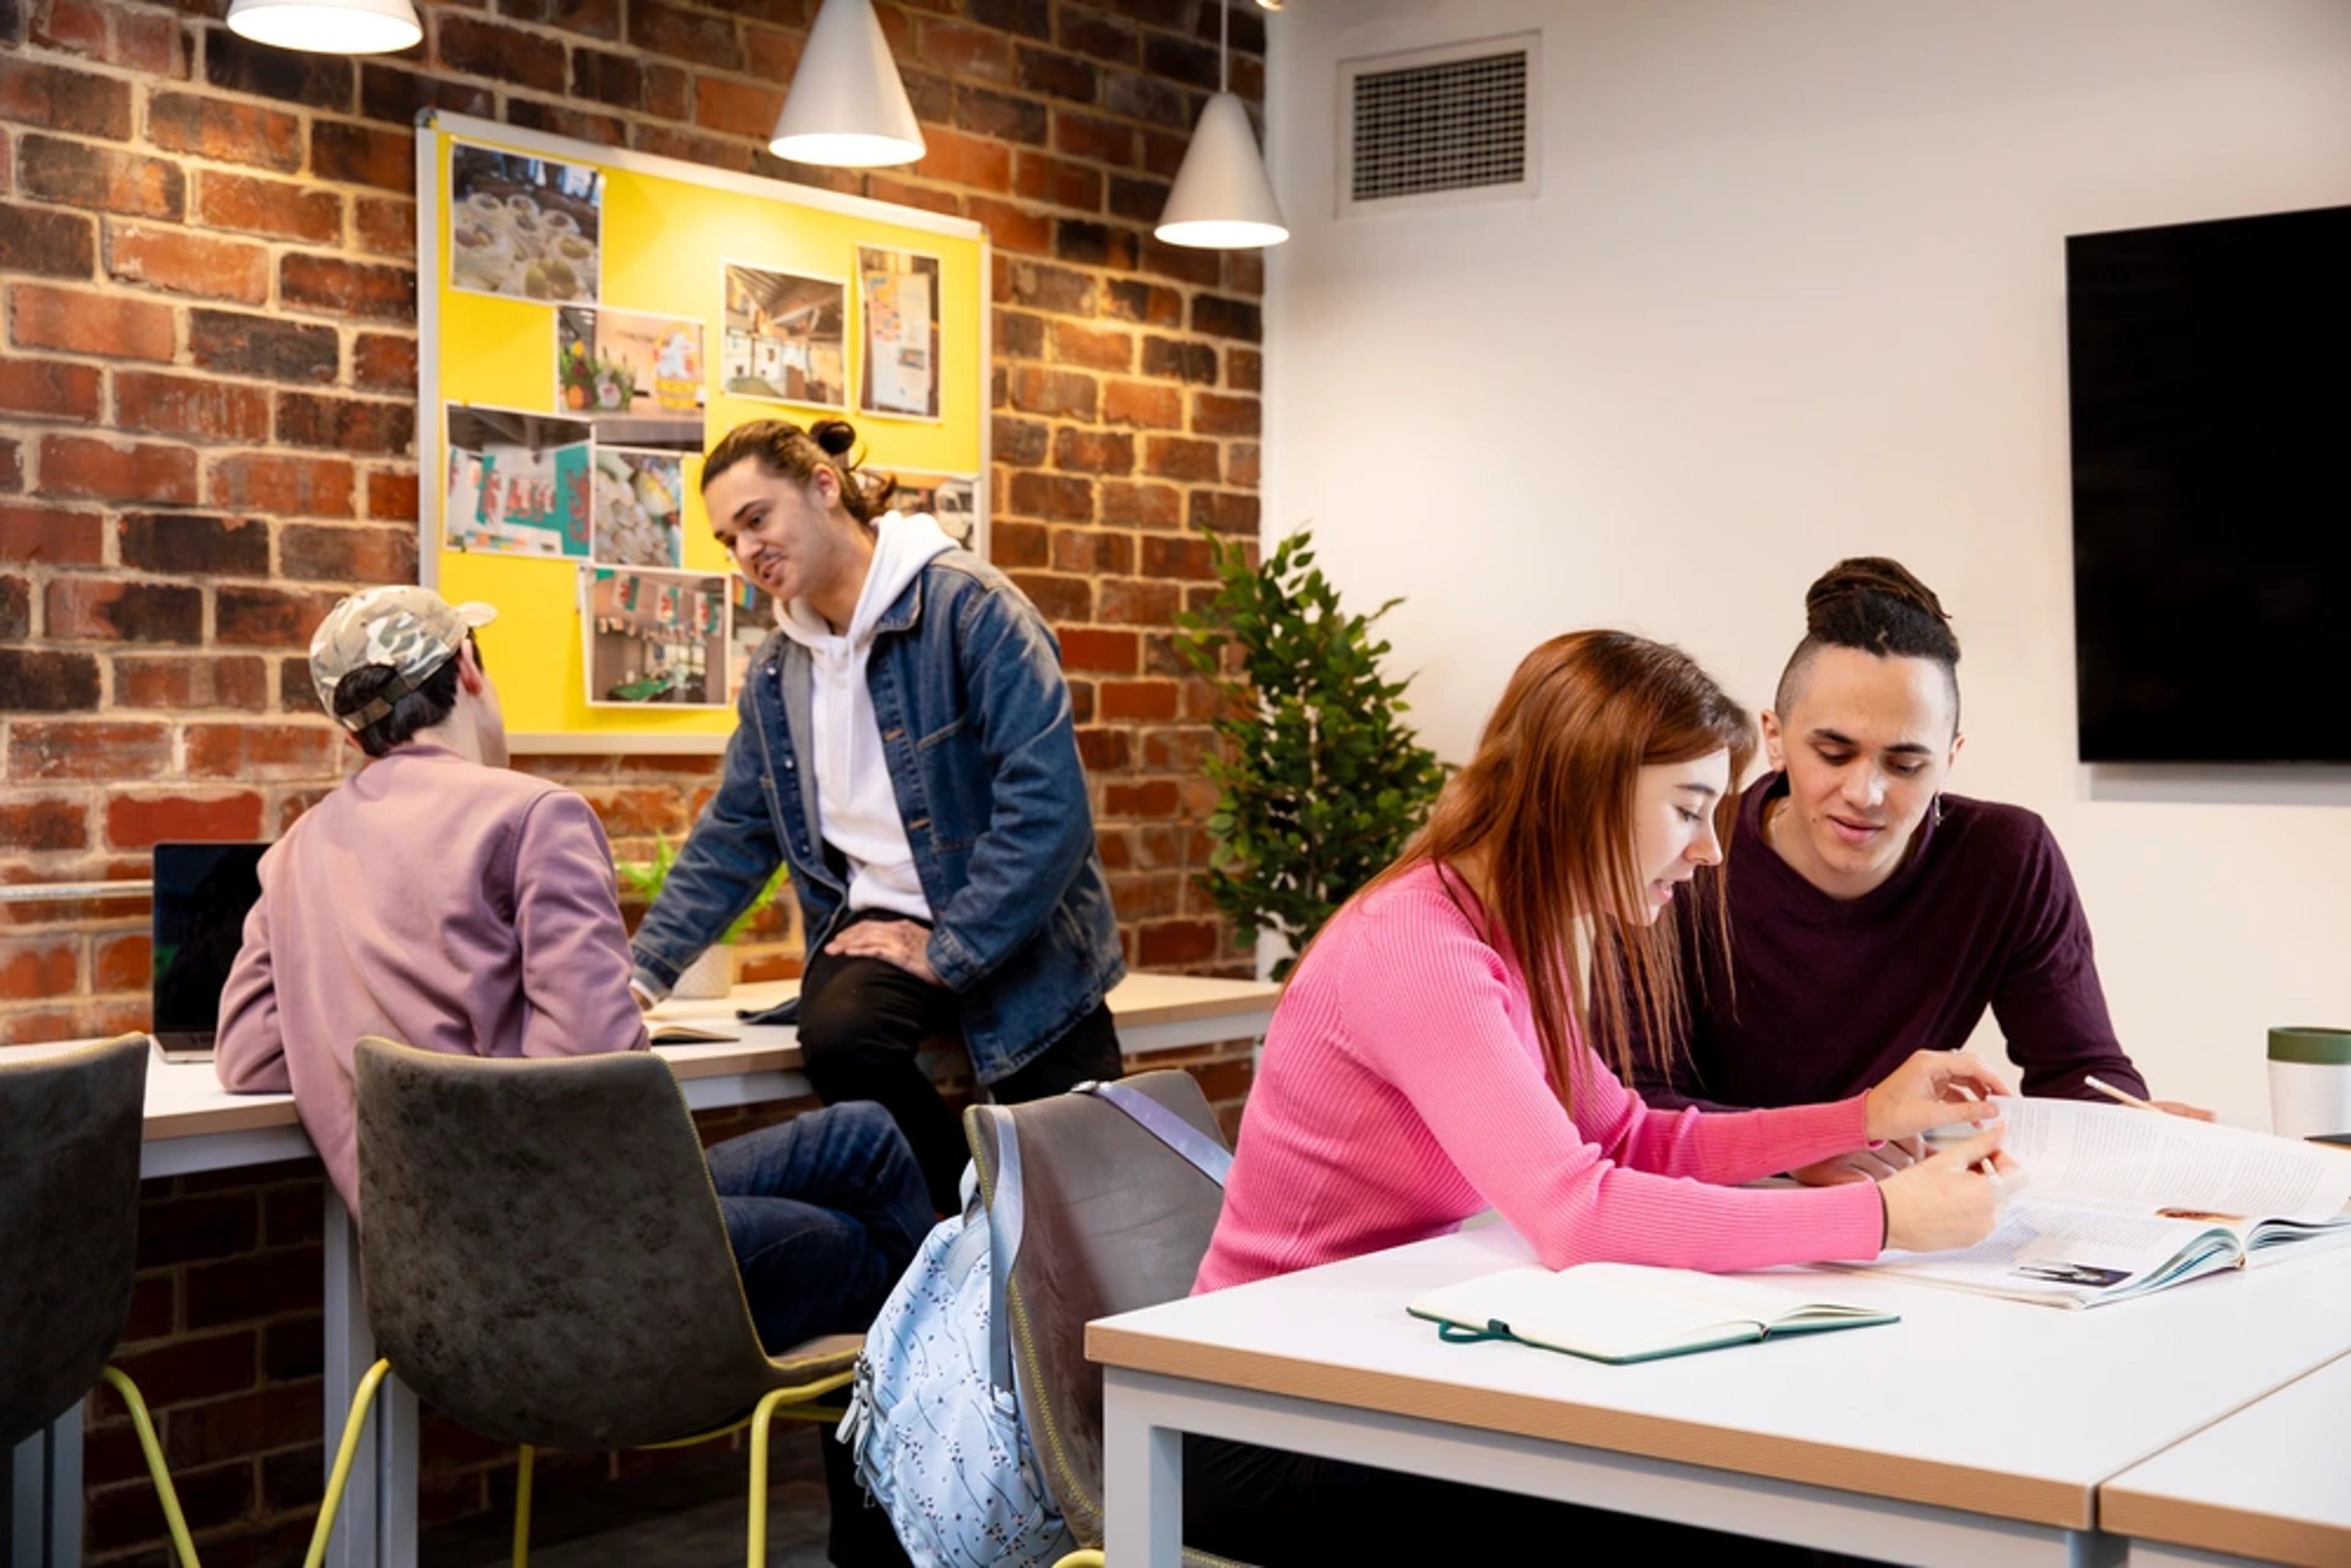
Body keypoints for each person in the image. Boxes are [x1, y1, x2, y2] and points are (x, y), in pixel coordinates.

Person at [1185, 630, 2019, 1565]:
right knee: (1732, 1507)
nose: (1710, 850)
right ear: (1583, 791)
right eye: (1689, 810)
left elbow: (1627, 1136)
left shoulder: (1511, 929)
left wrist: (1861, 1118)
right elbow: (1577, 1213)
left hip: (1392, 1355)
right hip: (1267, 1419)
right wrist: (1878, 1216)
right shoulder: (1420, 949)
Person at [214, 584, 924, 1568]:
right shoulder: (532, 815)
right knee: (879, 1238)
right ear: (468, 669)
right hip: (591, 1278)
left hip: (438, 1301)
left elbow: (247, 1057)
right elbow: (600, 1080)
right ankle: (927, 1530)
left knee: (864, 1138)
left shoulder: (292, 858)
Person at [629, 418, 1126, 1215]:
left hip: (1023, 929)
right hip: (878, 930)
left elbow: (1050, 811)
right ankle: (963, 1224)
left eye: (757, 519)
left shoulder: (972, 610)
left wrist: (955, 947)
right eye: (728, 538)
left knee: (1089, 1197)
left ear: (825, 488)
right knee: (842, 1040)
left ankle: (1045, 1269)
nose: (745, 551)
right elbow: (737, 832)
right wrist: (640, 976)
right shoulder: (778, 670)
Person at [1630, 558, 2207, 1183]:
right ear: (1775, 736)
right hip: (1721, 1214)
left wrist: (2130, 1130)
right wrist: (1805, 1149)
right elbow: (1635, 1105)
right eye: (1833, 752)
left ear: (1951, 758)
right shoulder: (1683, 856)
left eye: (1906, 764)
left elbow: (2080, 1071)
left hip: (1907, 1223)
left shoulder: (2005, 856)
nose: (1866, 792)